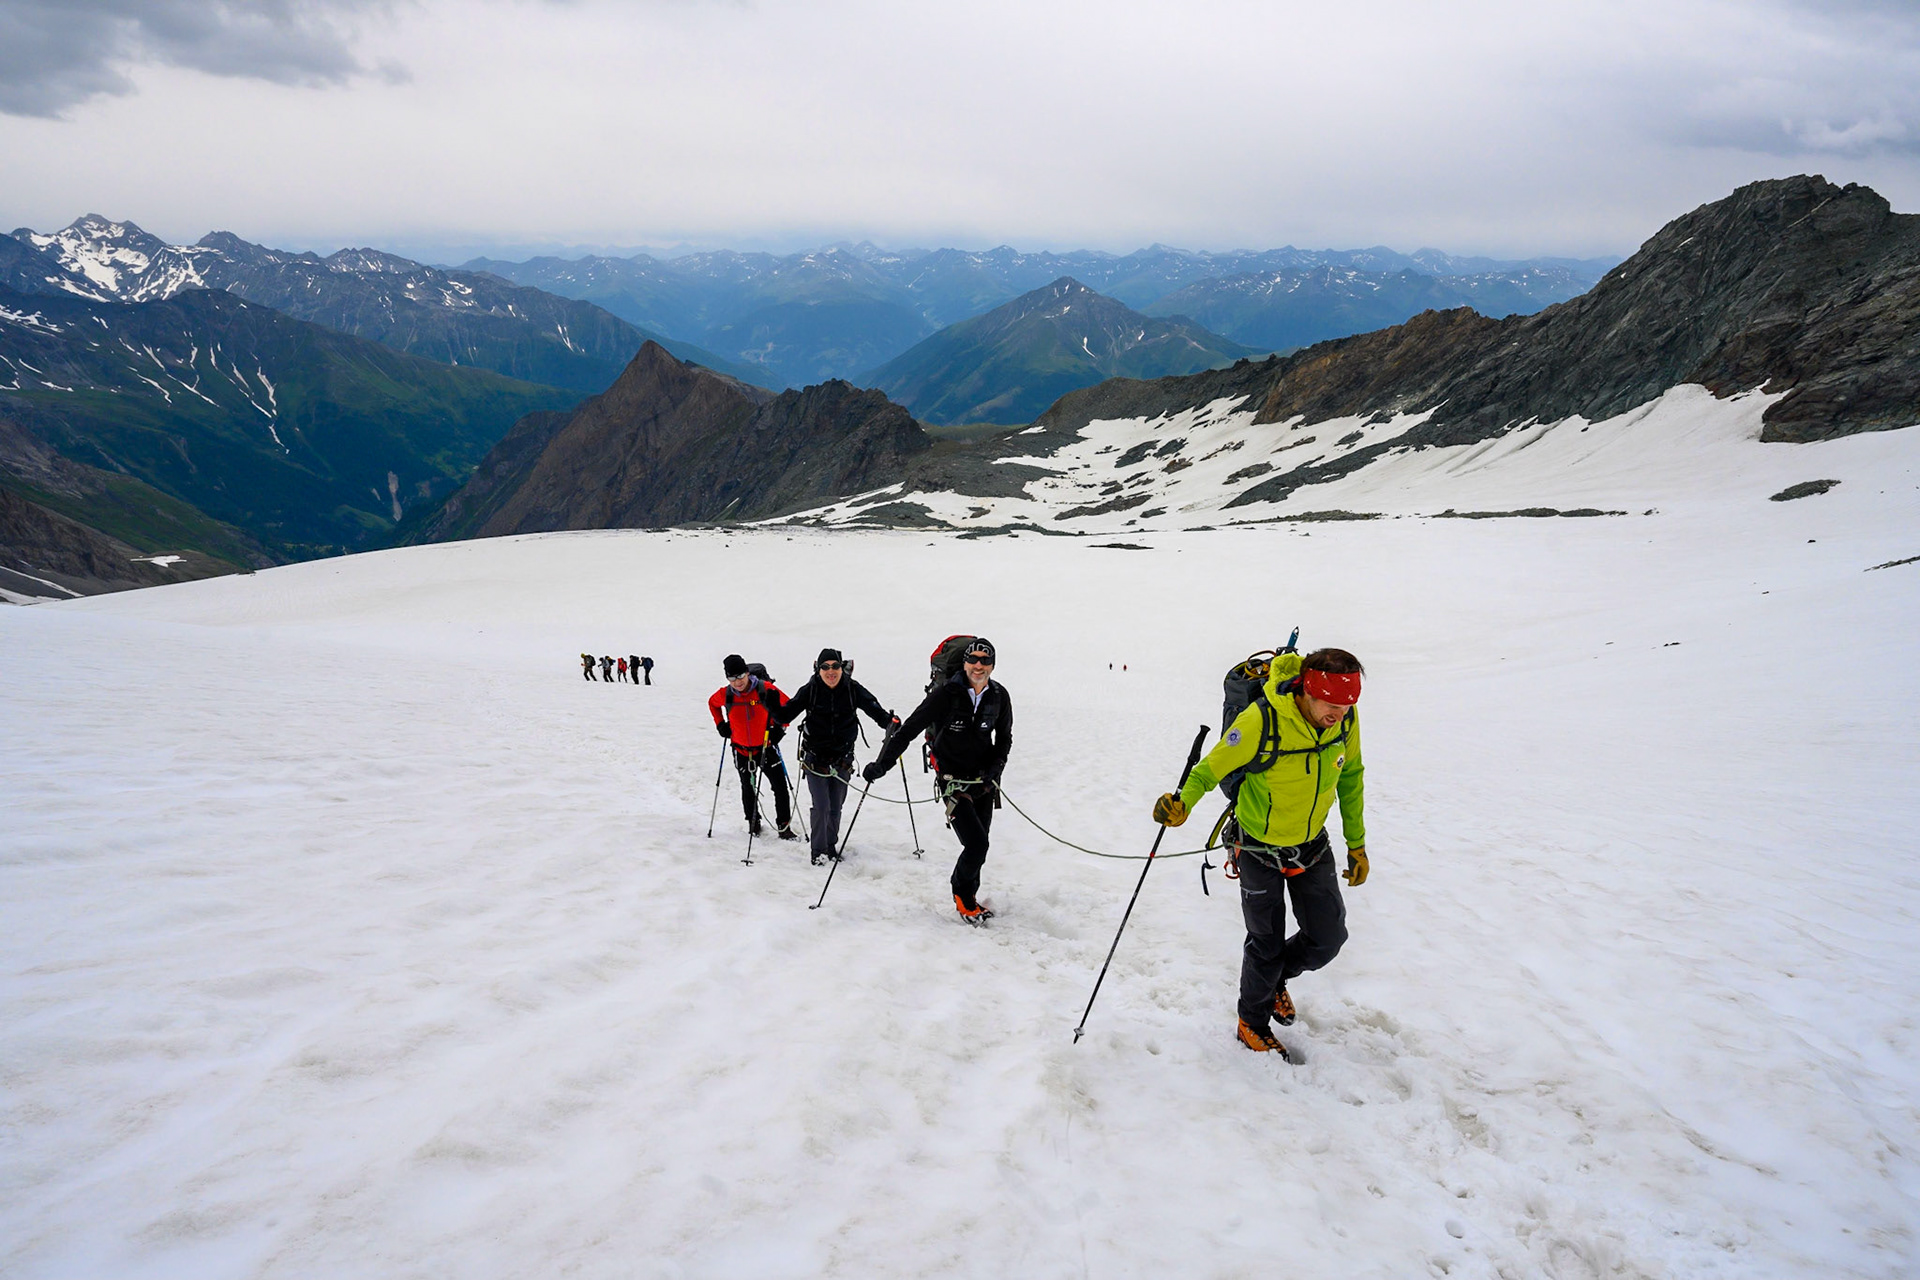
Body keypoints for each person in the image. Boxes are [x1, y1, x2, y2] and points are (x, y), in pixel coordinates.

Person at [1151, 648, 1367, 1057]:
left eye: (1347, 704)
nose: (1339, 713)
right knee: (1265, 943)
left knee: (1328, 937)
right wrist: (1182, 806)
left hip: (1311, 847)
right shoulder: (1261, 720)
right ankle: (1251, 1022)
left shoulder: (1345, 721)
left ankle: (1273, 981)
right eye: (1331, 704)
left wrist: (1357, 845)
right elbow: (1209, 769)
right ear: (1306, 690)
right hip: (1257, 849)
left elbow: (1351, 777)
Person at [865, 638, 1011, 924]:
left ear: (992, 665)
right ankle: (963, 897)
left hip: (983, 782)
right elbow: (909, 729)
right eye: (974, 659)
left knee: (981, 842)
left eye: (985, 660)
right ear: (965, 663)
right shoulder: (947, 693)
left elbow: (1004, 738)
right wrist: (882, 765)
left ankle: (970, 896)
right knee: (976, 844)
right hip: (952, 781)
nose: (978, 665)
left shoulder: (999, 696)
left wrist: (995, 770)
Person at [773, 648, 895, 865]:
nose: (831, 671)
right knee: (821, 807)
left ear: (842, 667)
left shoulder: (852, 689)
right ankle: (818, 852)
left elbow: (875, 710)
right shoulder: (810, 689)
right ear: (818, 669)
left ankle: (830, 847)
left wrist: (891, 724)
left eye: (835, 666)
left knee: (835, 808)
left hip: (843, 760)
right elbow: (785, 714)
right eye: (825, 667)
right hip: (814, 759)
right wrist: (769, 701)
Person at [708, 654, 795, 839]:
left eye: (740, 676)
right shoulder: (725, 694)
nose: (737, 682)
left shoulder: (765, 689)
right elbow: (712, 704)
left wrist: (780, 728)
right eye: (732, 678)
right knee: (747, 788)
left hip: (766, 747)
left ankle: (784, 826)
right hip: (741, 750)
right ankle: (753, 822)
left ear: (747, 672)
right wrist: (720, 724)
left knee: (780, 787)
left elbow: (789, 707)